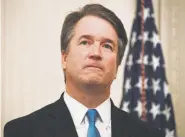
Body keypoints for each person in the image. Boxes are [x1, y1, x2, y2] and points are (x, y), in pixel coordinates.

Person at [4, 3, 164, 137]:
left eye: (107, 46)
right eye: (85, 42)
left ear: (117, 66)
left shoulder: (148, 134)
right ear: (64, 58)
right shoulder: (22, 131)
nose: (96, 53)